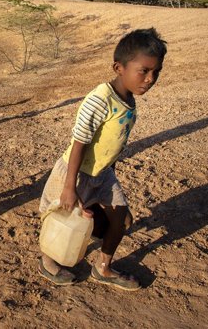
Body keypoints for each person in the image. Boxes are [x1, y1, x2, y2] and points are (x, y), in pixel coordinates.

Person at [38, 28, 167, 291]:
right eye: (143, 71)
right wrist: (69, 186)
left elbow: (114, 144)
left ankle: (103, 267)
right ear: (119, 67)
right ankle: (48, 261)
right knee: (63, 217)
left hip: (103, 174)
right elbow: (80, 143)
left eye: (156, 72)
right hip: (75, 171)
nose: (150, 79)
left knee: (121, 220)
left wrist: (110, 175)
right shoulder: (99, 99)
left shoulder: (129, 99)